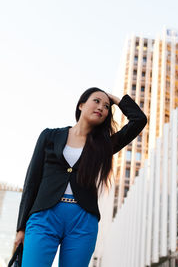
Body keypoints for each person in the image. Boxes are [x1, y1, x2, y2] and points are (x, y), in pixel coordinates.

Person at [15, 87, 147, 267]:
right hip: (44, 217)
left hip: (82, 221)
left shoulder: (104, 146)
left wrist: (114, 99)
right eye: (97, 101)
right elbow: (31, 182)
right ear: (81, 105)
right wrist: (20, 228)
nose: (102, 107)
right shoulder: (50, 136)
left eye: (106, 106)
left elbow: (139, 120)